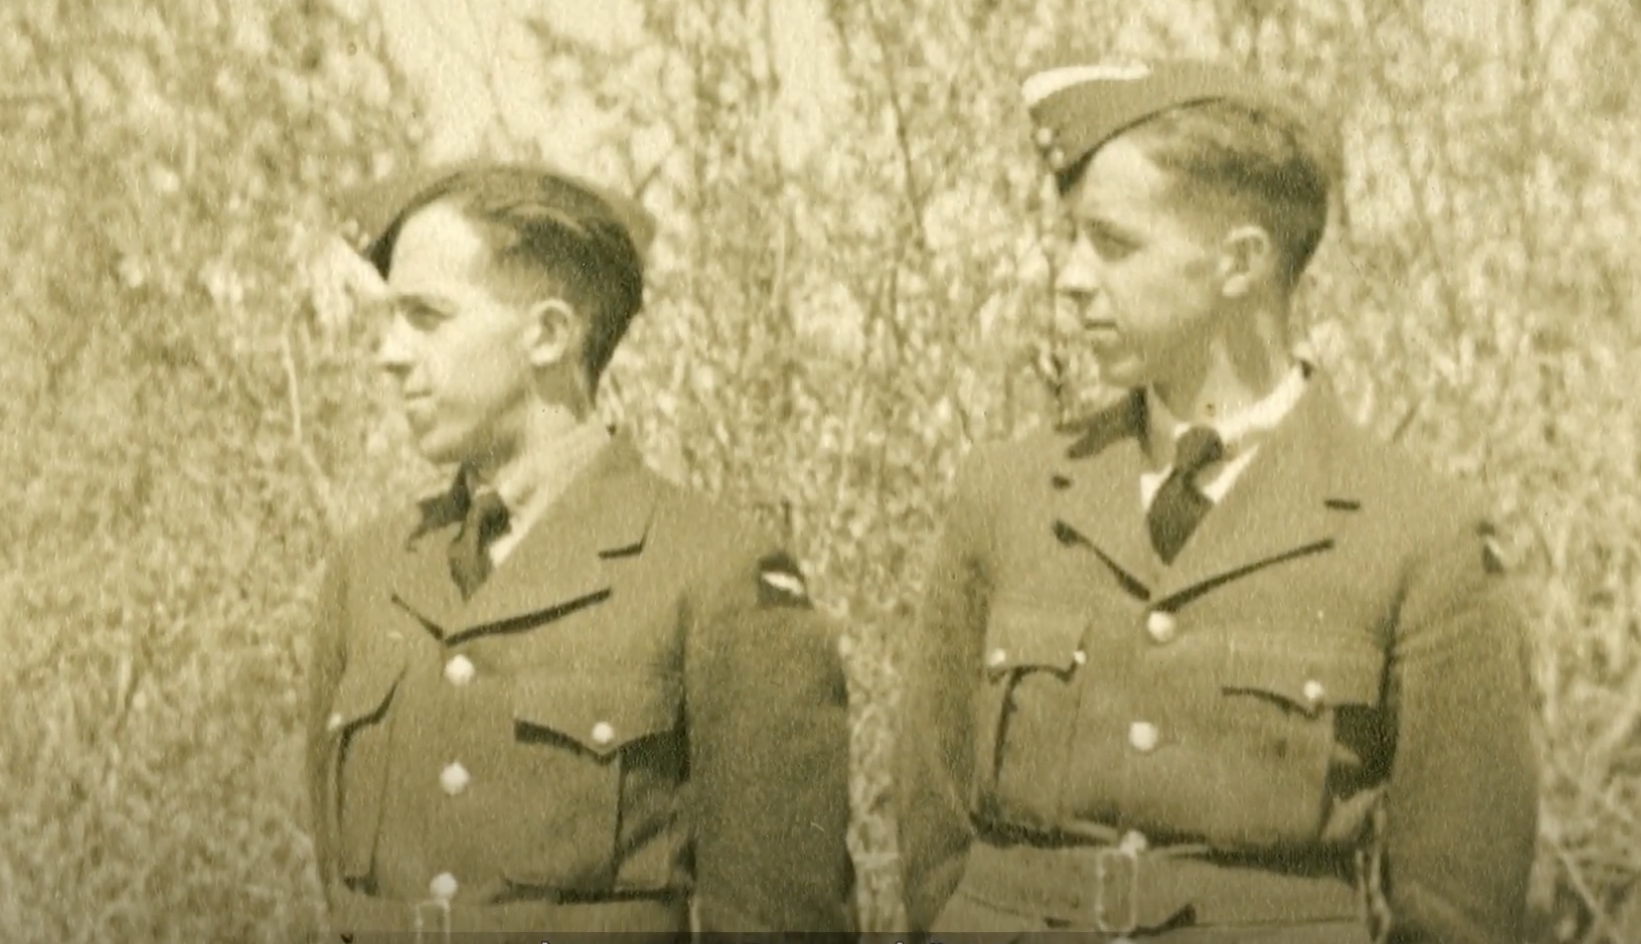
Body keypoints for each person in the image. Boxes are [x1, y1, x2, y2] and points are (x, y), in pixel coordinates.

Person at [896, 59, 1538, 944]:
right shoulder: (1004, 494)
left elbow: (1459, 908)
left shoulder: (1417, 535)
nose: (1070, 278)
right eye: (1072, 240)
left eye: (1113, 244)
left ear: (1239, 263)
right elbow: (935, 842)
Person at [303, 162, 855, 941]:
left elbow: (780, 921)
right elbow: (340, 895)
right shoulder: (369, 572)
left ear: (550, 335)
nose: (388, 354)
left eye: (426, 316)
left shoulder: (715, 575)